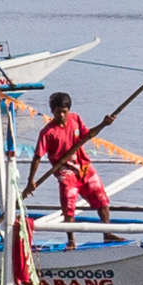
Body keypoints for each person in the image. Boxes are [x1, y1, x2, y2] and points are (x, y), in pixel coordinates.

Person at [33, 89, 118, 228]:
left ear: (68, 110)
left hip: (83, 166)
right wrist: (31, 180)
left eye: (64, 112)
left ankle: (107, 233)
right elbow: (37, 157)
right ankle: (71, 241)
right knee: (69, 207)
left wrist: (103, 124)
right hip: (65, 172)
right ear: (52, 111)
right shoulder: (48, 132)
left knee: (102, 200)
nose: (61, 115)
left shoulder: (75, 119)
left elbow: (88, 134)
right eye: (58, 112)